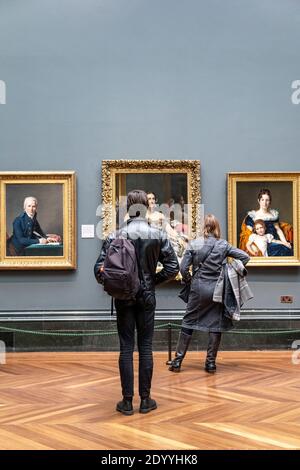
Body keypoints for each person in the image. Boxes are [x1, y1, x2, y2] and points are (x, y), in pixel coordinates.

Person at [94, 190, 179, 415]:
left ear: (129, 208)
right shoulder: (157, 234)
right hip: (147, 296)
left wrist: (116, 281)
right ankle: (145, 400)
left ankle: (126, 401)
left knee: (125, 349)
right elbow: (173, 268)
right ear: (145, 207)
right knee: (146, 348)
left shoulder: (116, 235)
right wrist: (151, 281)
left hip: (123, 297)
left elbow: (98, 270)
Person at [169, 214, 250, 374]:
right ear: (216, 227)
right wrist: (229, 270)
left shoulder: (194, 244)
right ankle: (210, 364)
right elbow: (245, 257)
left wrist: (188, 280)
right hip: (218, 289)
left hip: (197, 288)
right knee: (216, 324)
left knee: (188, 322)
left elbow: (183, 268)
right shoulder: (223, 244)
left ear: (203, 227)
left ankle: (177, 362)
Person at [239, 189, 293, 256]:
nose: (265, 203)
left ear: (270, 202)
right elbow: (248, 234)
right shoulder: (253, 216)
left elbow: (278, 230)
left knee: (288, 248)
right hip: (262, 244)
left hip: (273, 239)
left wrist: (285, 242)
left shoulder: (273, 215)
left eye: (267, 200)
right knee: (282, 249)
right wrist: (253, 246)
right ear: (259, 201)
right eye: (262, 200)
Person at [146, 192, 186, 259]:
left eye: (153, 199)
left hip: (158, 244)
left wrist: (178, 238)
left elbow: (168, 229)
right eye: (149, 199)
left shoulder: (160, 215)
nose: (152, 201)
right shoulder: (142, 215)